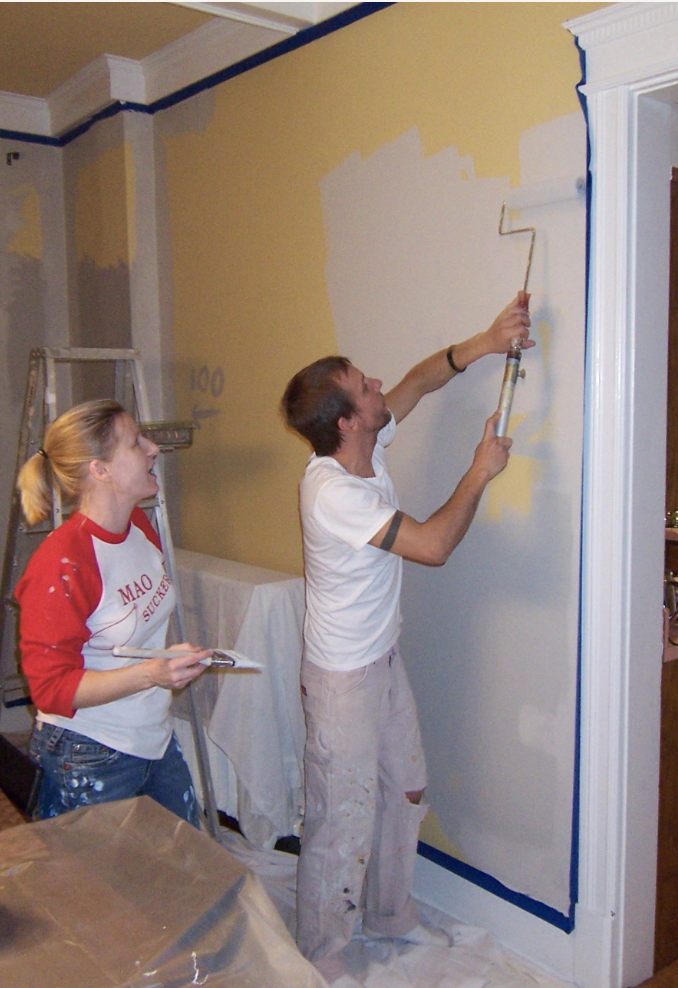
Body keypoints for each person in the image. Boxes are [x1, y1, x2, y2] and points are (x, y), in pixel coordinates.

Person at [281, 292, 532, 985]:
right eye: (365, 386)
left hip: (380, 659)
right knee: (341, 813)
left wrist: (484, 341)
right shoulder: (333, 492)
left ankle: (389, 915)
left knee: (405, 788)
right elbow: (433, 545)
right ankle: (324, 948)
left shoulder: (368, 442)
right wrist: (479, 470)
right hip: (341, 680)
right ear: (346, 423)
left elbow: (419, 381)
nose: (379, 383)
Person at [15, 399, 211, 826]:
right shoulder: (62, 563)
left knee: (190, 876)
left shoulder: (138, 527)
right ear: (99, 469)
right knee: (96, 892)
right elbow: (51, 690)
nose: (153, 448)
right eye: (135, 443)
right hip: (87, 752)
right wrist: (153, 674)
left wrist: (163, 664)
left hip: (152, 737)